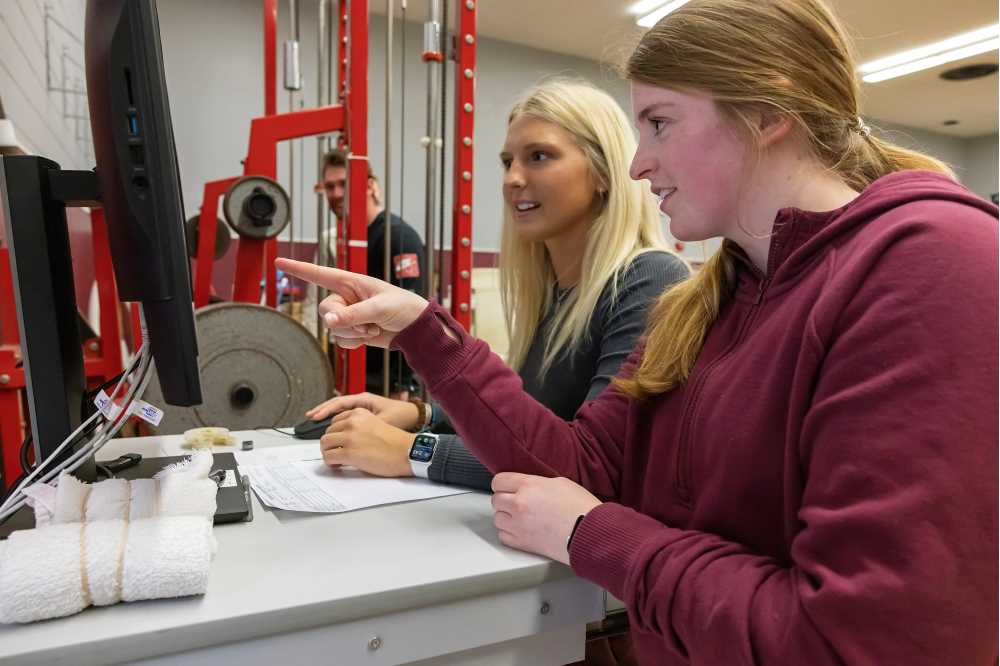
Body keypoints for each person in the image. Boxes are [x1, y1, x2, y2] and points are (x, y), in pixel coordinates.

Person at [277, 0, 999, 663]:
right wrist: (422, 330)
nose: (637, 162)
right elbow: (583, 466)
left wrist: (596, 535)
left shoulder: (932, 262)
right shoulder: (708, 302)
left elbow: (858, 643)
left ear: (765, 111)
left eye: (659, 122)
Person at [304, 80, 689, 496]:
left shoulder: (650, 280)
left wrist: (414, 451)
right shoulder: (556, 293)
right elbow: (533, 426)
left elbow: (587, 466)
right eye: (508, 162)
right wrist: (422, 415)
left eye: (539, 156)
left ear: (603, 173)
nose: (513, 179)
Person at [317, 148, 426, 395]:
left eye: (344, 184)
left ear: (368, 186)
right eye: (330, 186)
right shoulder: (349, 240)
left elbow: (412, 319)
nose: (336, 194)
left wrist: (402, 386)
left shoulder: (398, 237)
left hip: (390, 386)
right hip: (356, 378)